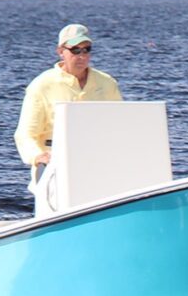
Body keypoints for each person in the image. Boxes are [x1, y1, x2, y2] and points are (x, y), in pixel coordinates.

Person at [14, 24, 123, 181]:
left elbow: (119, 125)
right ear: (61, 52)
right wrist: (38, 157)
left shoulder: (107, 83)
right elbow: (25, 134)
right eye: (75, 50)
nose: (82, 55)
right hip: (55, 168)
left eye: (86, 50)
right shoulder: (41, 85)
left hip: (99, 165)